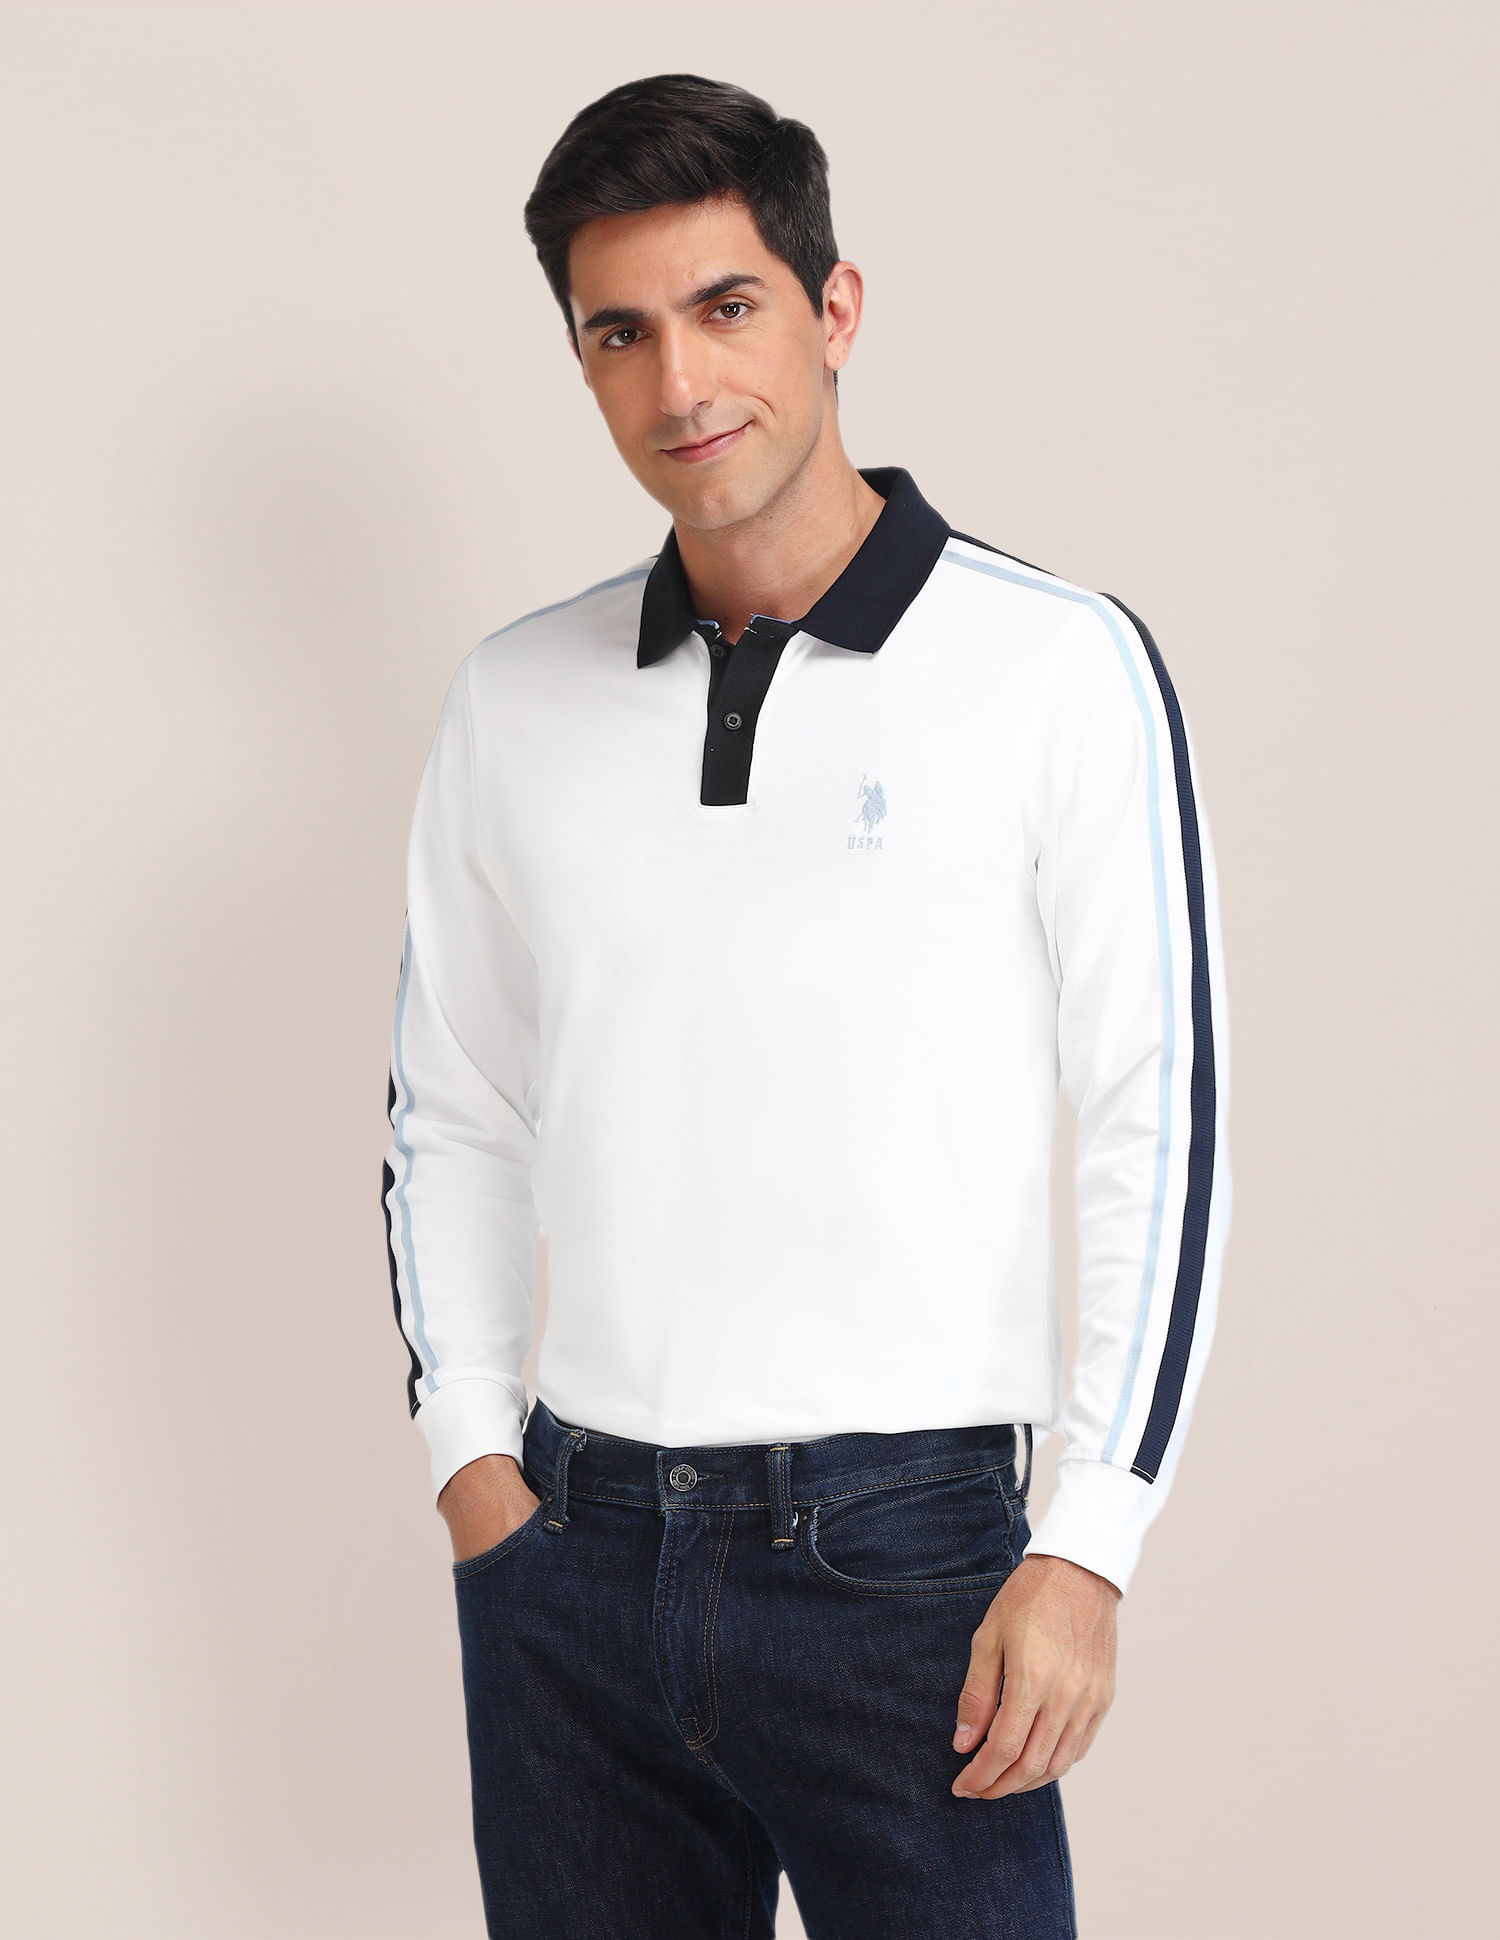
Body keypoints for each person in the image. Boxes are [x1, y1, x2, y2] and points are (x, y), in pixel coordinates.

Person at [381, 72, 1231, 1940]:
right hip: (573, 1557)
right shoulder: (514, 702)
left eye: (726, 306)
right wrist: (474, 1469)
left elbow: (1159, 1119)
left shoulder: (1053, 669)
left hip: (909, 1570)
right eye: (620, 333)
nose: (680, 382)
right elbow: (452, 1109)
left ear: (835, 309)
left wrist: (1090, 1541)